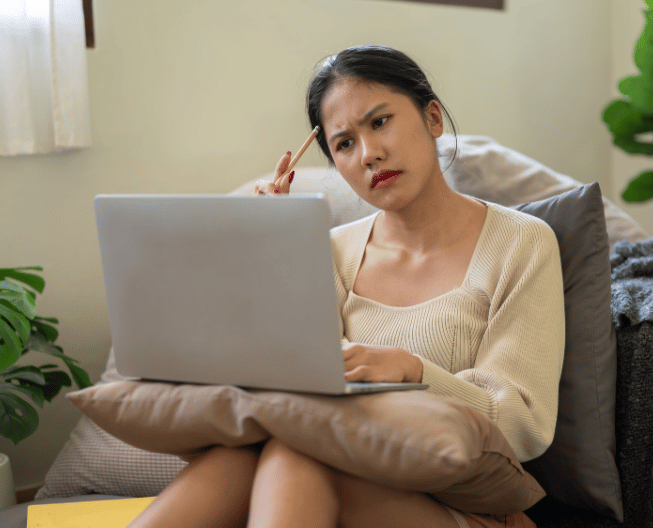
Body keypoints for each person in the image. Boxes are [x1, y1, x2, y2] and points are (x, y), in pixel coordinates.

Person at [129, 45, 564, 528]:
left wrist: (412, 370)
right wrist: (268, 256)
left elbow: (523, 425)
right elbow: (287, 390)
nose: (369, 154)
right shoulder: (331, 253)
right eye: (344, 144)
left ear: (433, 118)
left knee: (296, 454)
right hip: (333, 471)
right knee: (259, 455)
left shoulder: (522, 242)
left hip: (463, 504)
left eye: (380, 122)